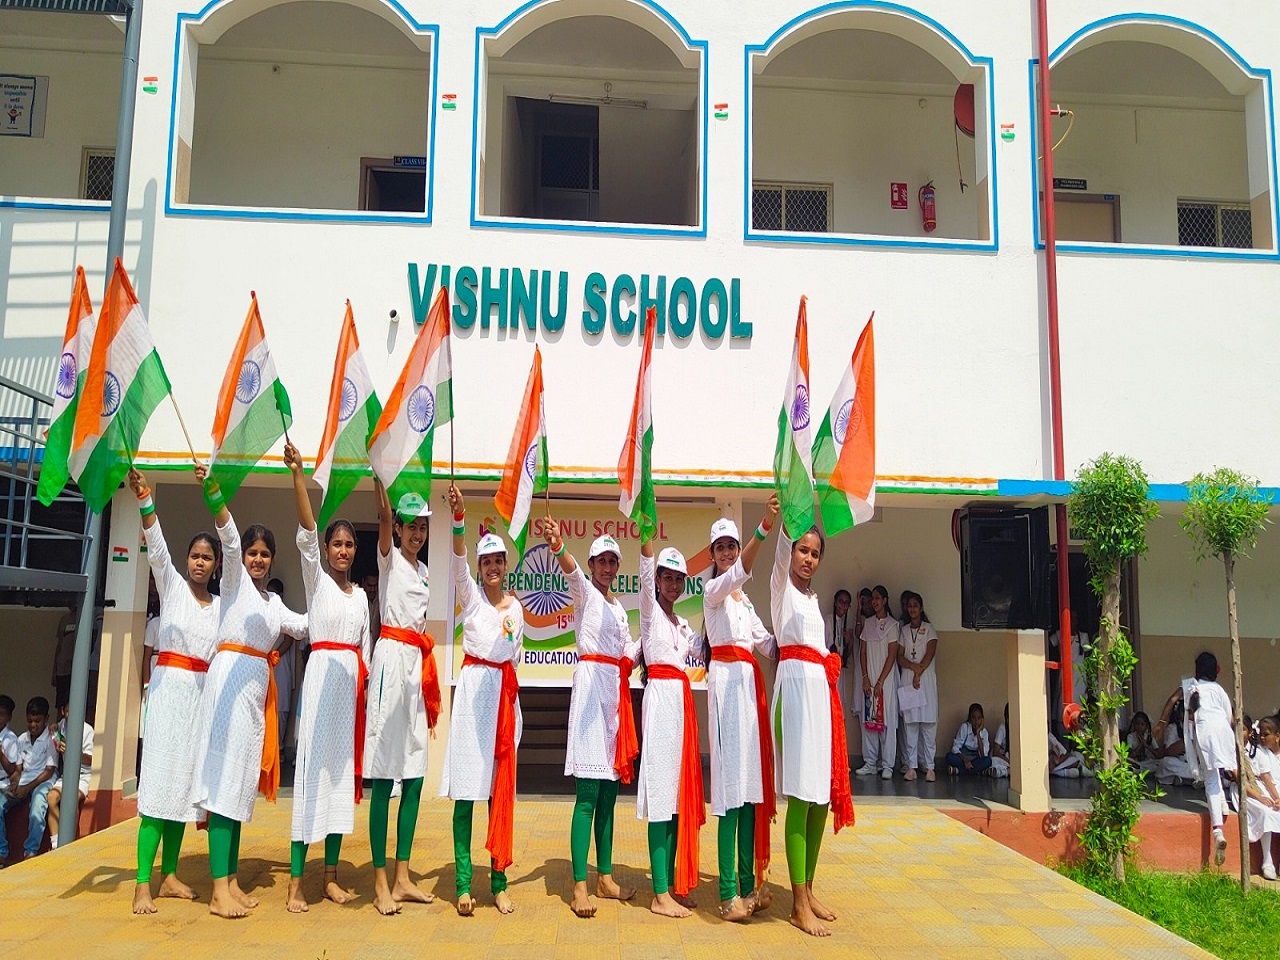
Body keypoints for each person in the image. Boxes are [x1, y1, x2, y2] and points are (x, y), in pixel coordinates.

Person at [190, 464, 308, 919]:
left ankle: (232, 880)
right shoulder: (234, 583)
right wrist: (215, 493)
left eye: (264, 554)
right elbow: (230, 536)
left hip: (255, 696)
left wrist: (339, 600)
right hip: (229, 687)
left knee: (239, 787)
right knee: (223, 785)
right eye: (253, 553)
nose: (257, 559)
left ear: (273, 560)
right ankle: (218, 890)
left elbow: (303, 626)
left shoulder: (272, 602)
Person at [283, 442, 370, 913]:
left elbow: (367, 653)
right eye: (335, 543)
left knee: (339, 783)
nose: (341, 550)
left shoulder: (360, 598)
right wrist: (300, 475)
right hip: (319, 687)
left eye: (348, 544)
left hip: (348, 694)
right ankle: (297, 882)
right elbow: (305, 529)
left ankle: (331, 877)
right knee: (311, 778)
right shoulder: (315, 580)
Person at [128, 468, 220, 913]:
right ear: (186, 560)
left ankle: (169, 875)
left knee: (184, 790)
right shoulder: (173, 589)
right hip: (168, 695)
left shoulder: (222, 607)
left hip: (201, 699)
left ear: (217, 565)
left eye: (208, 557)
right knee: (159, 788)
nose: (200, 562)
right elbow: (156, 547)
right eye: (195, 555)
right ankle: (142, 883)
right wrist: (146, 498)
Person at [542, 517, 639, 919]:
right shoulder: (584, 593)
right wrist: (559, 545)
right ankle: (579, 885)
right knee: (586, 796)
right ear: (592, 563)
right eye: (601, 560)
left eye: (613, 561)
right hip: (589, 695)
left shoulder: (619, 608)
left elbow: (632, 646)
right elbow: (570, 570)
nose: (607, 568)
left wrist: (633, 657)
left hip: (614, 697)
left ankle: (605, 876)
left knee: (609, 796)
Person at [442, 484, 524, 917]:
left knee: (498, 795)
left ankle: (498, 881)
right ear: (480, 566)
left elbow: (517, 662)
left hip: (503, 705)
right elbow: (456, 564)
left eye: (498, 561)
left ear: (506, 566)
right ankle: (461, 883)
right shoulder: (470, 600)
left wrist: (515, 713)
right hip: (473, 698)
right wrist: (458, 518)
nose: (492, 568)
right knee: (466, 795)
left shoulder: (516, 610)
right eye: (485, 561)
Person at [770, 519, 854, 938]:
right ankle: (797, 902)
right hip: (794, 693)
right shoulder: (780, 587)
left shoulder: (813, 598)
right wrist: (788, 513)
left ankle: (810, 889)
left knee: (820, 796)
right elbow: (782, 550)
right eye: (803, 550)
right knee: (802, 796)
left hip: (820, 698)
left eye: (815, 553)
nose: (808, 558)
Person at [364, 479, 439, 915]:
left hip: (417, 667)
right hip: (391, 663)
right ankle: (378, 881)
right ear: (397, 528)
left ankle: (403, 876)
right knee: (383, 772)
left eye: (422, 528)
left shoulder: (425, 571)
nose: (417, 534)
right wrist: (382, 482)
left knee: (413, 774)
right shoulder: (389, 560)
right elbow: (382, 516)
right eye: (410, 526)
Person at [702, 501, 779, 922]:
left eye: (733, 546)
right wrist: (764, 528)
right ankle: (728, 893)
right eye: (722, 548)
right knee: (731, 791)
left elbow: (765, 642)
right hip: (726, 688)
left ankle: (749, 884)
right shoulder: (712, 591)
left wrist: (795, 647)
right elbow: (738, 573)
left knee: (750, 790)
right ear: (713, 554)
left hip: (749, 694)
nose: (729, 553)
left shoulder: (744, 602)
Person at [635, 536, 705, 919]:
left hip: (683, 707)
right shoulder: (649, 614)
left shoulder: (683, 624)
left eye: (680, 579)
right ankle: (659, 893)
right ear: (658, 579)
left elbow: (704, 650)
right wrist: (647, 536)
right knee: (662, 795)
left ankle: (674, 885)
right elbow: (644, 578)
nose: (674, 585)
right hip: (661, 700)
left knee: (678, 797)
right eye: (668, 578)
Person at [1188, 651, 1236, 866]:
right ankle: (1224, 805)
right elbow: (1230, 718)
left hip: (1204, 731)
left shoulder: (1191, 689)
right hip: (1223, 730)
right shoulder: (1220, 690)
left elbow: (1189, 719)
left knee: (1211, 778)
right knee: (1224, 770)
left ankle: (1218, 831)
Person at [0, 697, 56, 863]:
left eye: (37, 721)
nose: (33, 725)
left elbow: (48, 771)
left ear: (46, 718)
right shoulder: (22, 739)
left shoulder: (51, 739)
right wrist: (15, 784)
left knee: (37, 806)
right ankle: (2, 852)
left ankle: (30, 851)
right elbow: (18, 769)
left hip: (43, 781)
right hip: (24, 782)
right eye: (30, 721)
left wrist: (27, 788)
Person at [856, 586, 900, 780]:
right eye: (872, 598)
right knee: (869, 720)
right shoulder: (868, 624)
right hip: (870, 678)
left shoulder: (893, 625)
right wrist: (866, 677)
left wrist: (881, 680)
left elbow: (892, 654)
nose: (874, 602)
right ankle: (870, 762)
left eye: (877, 598)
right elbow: (863, 652)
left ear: (885, 600)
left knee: (887, 720)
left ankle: (887, 765)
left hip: (886, 679)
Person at [896, 591, 938, 782]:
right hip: (909, 680)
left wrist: (919, 671)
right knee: (911, 724)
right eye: (910, 605)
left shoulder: (929, 629)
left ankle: (929, 767)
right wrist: (913, 669)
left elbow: (929, 653)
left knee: (928, 724)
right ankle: (911, 767)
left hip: (925, 680)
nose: (912, 608)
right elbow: (899, 656)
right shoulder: (904, 631)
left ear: (921, 608)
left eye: (916, 605)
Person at [45, 702, 93, 849]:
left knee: (71, 799)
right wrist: (53, 727)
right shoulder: (62, 725)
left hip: (83, 775)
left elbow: (91, 760)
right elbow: (54, 728)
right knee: (51, 797)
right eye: (67, 711)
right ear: (63, 711)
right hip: (67, 774)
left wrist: (73, 751)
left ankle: (70, 843)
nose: (70, 715)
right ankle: (55, 844)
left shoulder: (87, 730)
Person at [1242, 716, 1280, 880]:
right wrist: (1261, 797)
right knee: (1265, 812)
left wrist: (1277, 798)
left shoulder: (1260, 752)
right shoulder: (1241, 752)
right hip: (1248, 789)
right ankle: (1267, 861)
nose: (1263, 738)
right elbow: (1242, 779)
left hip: (1265, 788)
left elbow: (1266, 778)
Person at [1152, 688, 1196, 785]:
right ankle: (1193, 779)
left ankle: (1186, 780)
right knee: (1165, 763)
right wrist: (1187, 737)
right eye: (1188, 713)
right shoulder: (1173, 728)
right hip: (1179, 764)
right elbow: (1169, 753)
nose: (1191, 716)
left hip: (1194, 765)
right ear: (1181, 714)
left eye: (1192, 713)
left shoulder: (1200, 728)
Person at [946, 703, 993, 775]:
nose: (976, 721)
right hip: (963, 758)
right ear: (970, 719)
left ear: (982, 719)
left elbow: (983, 755)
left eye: (979, 718)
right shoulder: (965, 727)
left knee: (988, 761)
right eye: (973, 718)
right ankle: (976, 771)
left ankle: (959, 771)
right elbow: (955, 748)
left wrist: (978, 734)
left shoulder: (984, 733)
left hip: (976, 760)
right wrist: (965, 760)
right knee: (949, 757)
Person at [1126, 712, 1159, 776]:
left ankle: (1138, 771)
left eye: (1142, 724)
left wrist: (1146, 745)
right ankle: (1139, 770)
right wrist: (1140, 744)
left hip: (1147, 762)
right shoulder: (1131, 736)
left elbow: (1158, 755)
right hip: (1135, 762)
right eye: (1137, 724)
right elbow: (1130, 755)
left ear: (1146, 726)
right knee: (1128, 760)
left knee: (1161, 763)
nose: (1139, 727)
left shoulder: (1149, 737)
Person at [990, 703, 1011, 778]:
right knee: (994, 761)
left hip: (1012, 760)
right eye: (1008, 717)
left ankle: (1005, 772)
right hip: (1002, 759)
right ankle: (1005, 771)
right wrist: (1009, 761)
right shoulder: (1002, 728)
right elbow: (995, 752)